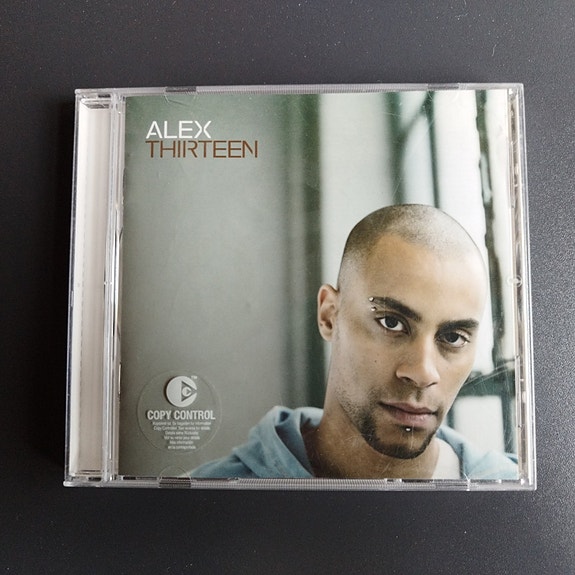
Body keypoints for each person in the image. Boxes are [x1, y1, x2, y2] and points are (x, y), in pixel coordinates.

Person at [192, 204, 518, 480]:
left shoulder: (512, 494)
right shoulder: (200, 504)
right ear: (329, 315)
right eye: (391, 323)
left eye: (453, 338)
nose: (422, 373)